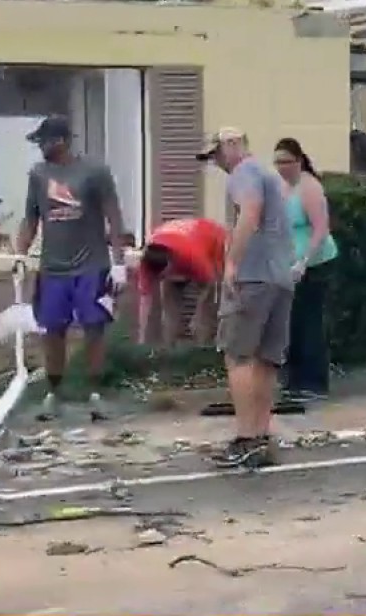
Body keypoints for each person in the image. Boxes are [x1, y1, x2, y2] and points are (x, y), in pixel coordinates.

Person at [12, 115, 129, 422]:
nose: (40, 147)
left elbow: (114, 217)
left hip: (92, 265)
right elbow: (30, 218)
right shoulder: (38, 174)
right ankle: (54, 394)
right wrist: (19, 255)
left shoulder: (94, 172)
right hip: (53, 268)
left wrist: (119, 262)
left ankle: (95, 394)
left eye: (44, 141)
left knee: (94, 329)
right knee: (52, 330)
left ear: (61, 141)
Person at [198, 127, 295, 469]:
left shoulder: (244, 173)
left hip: (253, 277)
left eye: (217, 154)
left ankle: (246, 439)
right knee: (267, 359)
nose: (217, 163)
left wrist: (232, 263)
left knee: (237, 355)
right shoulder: (268, 175)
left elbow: (249, 214)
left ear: (233, 145)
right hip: (279, 277)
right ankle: (261, 436)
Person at [274, 137, 338, 403]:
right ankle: (295, 378)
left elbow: (321, 228)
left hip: (316, 262)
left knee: (310, 321)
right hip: (289, 264)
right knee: (292, 322)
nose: (282, 168)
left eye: (287, 162)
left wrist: (304, 261)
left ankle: (314, 381)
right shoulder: (281, 187)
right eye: (277, 163)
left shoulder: (309, 187)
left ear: (298, 161)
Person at [136, 216, 227, 346]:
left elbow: (210, 285)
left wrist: (197, 315)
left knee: (204, 314)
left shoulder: (193, 257)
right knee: (169, 307)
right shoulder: (146, 262)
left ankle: (202, 349)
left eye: (164, 274)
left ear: (170, 262)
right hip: (178, 242)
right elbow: (145, 300)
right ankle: (168, 350)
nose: (163, 278)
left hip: (212, 241)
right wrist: (141, 338)